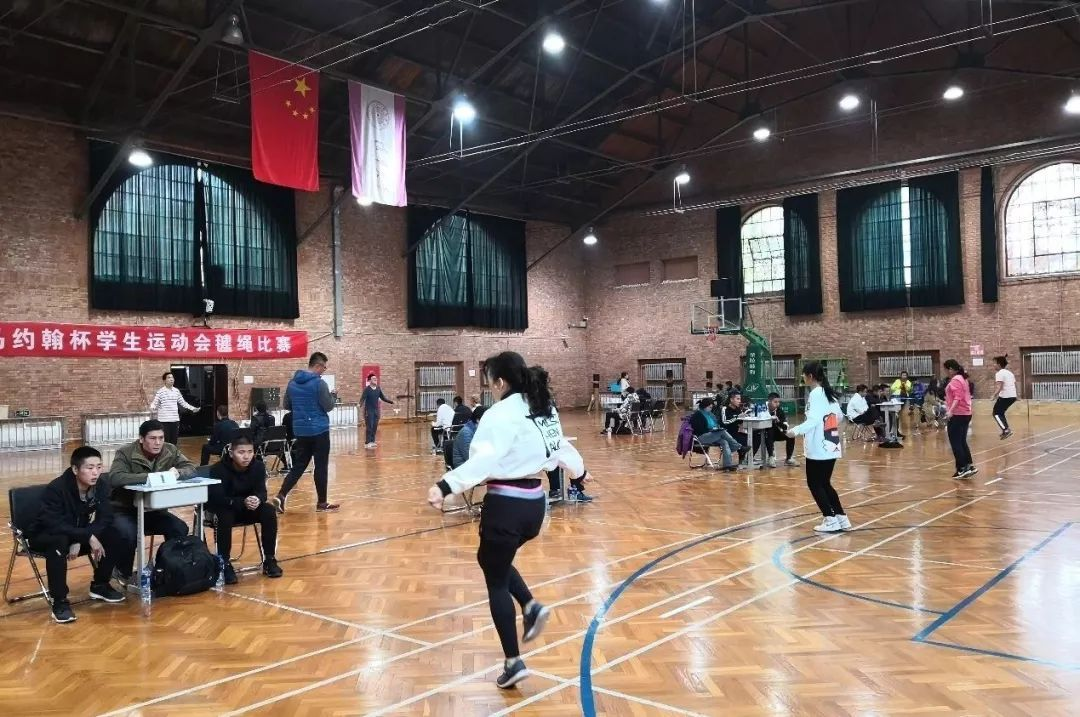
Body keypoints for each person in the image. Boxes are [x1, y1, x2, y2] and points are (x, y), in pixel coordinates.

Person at [427, 352, 590, 689]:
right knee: (492, 561)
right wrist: (580, 472)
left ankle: (514, 661)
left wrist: (445, 485)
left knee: (495, 579)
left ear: (500, 382)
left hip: (506, 505)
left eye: (490, 381)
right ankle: (530, 606)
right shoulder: (543, 407)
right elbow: (560, 448)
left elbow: (484, 460)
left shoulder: (499, 414)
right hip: (535, 506)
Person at [27, 446, 126, 623]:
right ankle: (59, 602)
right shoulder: (57, 488)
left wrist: (82, 537)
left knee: (115, 534)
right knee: (59, 542)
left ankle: (100, 584)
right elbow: (54, 524)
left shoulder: (101, 485)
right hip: (45, 534)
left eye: (99, 467)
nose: (95, 472)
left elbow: (106, 518)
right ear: (75, 469)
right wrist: (85, 536)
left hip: (77, 532)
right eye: (90, 467)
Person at [109, 420, 194, 584]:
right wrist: (151, 477)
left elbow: (191, 468)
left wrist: (179, 472)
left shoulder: (170, 450)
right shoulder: (125, 453)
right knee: (128, 533)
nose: (158, 443)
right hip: (124, 509)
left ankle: (167, 568)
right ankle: (122, 572)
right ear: (141, 439)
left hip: (153, 510)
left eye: (161, 438)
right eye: (153, 438)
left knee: (179, 528)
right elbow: (116, 477)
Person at [269, 352, 340, 514]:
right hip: (319, 430)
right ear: (318, 365)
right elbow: (328, 406)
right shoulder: (319, 384)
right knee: (320, 466)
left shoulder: (292, 383)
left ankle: (281, 495)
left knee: (299, 465)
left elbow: (287, 405)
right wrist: (333, 396)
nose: (324, 371)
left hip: (301, 431)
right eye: (324, 367)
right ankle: (322, 503)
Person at [208, 434, 282, 583]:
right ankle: (225, 563)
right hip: (227, 508)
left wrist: (258, 499)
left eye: (250, 452)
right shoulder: (218, 469)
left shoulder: (258, 466)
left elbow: (262, 492)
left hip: (249, 509)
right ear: (231, 453)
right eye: (241, 452)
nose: (246, 456)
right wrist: (242, 502)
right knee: (224, 516)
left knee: (268, 511)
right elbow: (217, 499)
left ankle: (269, 559)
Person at [786, 361, 849, 533]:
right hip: (831, 442)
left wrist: (795, 431)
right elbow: (839, 417)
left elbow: (813, 420)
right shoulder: (828, 393)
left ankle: (830, 519)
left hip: (819, 445)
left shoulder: (816, 394)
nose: (803, 377)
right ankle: (841, 518)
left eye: (803, 375)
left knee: (815, 484)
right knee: (825, 483)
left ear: (810, 376)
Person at [688, 397, 742, 471]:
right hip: (701, 437)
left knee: (724, 442)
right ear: (705, 406)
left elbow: (716, 424)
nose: (711, 409)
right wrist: (712, 430)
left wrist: (716, 428)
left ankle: (727, 465)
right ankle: (738, 447)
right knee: (722, 431)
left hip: (712, 435)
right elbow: (699, 429)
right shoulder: (697, 415)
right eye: (710, 407)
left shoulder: (710, 415)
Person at [944, 359, 977, 479]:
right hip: (965, 413)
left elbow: (957, 398)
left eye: (946, 370)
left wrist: (950, 411)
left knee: (956, 442)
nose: (946, 372)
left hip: (958, 414)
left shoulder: (956, 380)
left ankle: (962, 468)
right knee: (962, 441)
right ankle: (969, 466)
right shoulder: (963, 379)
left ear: (950, 369)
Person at [150, 372, 199, 447]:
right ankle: (165, 454)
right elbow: (155, 402)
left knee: (174, 441)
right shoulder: (160, 391)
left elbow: (183, 403)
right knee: (165, 441)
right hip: (164, 421)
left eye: (172, 377)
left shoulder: (176, 391)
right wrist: (152, 407)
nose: (171, 379)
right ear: (164, 380)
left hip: (175, 420)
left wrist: (193, 408)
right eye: (169, 378)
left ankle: (173, 454)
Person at [753, 392, 797, 467]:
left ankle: (789, 459)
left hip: (775, 433)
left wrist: (778, 422)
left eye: (778, 402)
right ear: (769, 401)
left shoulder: (779, 411)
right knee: (770, 430)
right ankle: (771, 457)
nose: (777, 404)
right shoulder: (761, 407)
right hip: (761, 433)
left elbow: (785, 427)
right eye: (775, 402)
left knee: (791, 435)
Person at [361, 373, 394, 449]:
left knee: (375, 426)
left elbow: (383, 398)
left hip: (376, 411)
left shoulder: (378, 389)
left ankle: (372, 441)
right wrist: (360, 404)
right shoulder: (367, 389)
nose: (375, 380)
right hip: (369, 411)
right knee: (369, 426)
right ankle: (367, 442)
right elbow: (362, 398)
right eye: (373, 379)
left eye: (376, 379)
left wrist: (390, 402)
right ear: (370, 380)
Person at [992, 355, 1017, 439]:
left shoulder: (999, 373)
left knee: (996, 413)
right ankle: (1005, 430)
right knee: (1000, 413)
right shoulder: (1010, 373)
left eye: (994, 363)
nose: (993, 365)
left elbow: (999, 386)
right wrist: (1017, 396)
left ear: (999, 364)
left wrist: (994, 395)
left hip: (1005, 396)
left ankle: (1006, 430)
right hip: (1012, 396)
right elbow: (1014, 384)